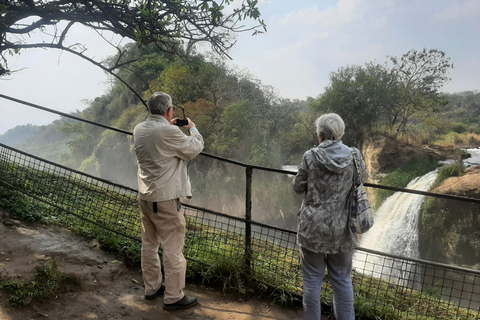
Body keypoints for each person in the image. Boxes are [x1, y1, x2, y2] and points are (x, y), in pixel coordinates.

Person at [292, 113, 368, 320]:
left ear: (322, 135)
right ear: (340, 133)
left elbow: (298, 187)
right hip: (343, 229)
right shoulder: (354, 155)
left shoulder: (310, 156)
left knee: (312, 281)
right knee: (342, 280)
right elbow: (363, 179)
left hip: (313, 229)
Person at [133, 92, 204, 310]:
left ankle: (152, 288)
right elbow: (194, 147)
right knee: (173, 249)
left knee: (149, 244)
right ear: (169, 111)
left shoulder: (139, 129)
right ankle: (174, 297)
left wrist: (170, 126)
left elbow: (161, 145)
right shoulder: (168, 131)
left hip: (146, 196)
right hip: (165, 199)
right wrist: (192, 127)